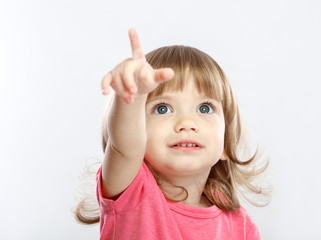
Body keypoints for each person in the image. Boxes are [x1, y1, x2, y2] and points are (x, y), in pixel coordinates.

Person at [76, 28, 271, 239]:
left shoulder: (240, 226)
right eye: (162, 108)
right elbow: (124, 146)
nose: (186, 123)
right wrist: (131, 95)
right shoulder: (132, 192)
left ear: (225, 144)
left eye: (205, 108)